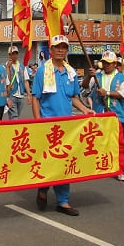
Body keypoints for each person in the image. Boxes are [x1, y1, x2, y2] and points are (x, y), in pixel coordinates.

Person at [31, 35, 94, 216]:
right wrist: (38, 122)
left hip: (67, 127)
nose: (60, 50)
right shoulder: (43, 71)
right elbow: (36, 97)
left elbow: (73, 96)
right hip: (48, 125)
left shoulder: (71, 72)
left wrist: (84, 110)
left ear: (67, 50)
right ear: (51, 50)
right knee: (49, 161)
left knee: (65, 162)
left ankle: (63, 201)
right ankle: (43, 189)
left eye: (64, 47)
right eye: (57, 47)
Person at [82, 51, 124, 181]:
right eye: (104, 63)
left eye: (109, 63)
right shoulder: (96, 76)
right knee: (97, 142)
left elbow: (123, 94)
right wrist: (88, 75)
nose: (106, 65)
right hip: (99, 114)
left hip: (116, 115)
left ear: (115, 64)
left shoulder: (121, 78)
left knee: (118, 144)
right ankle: (98, 167)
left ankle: (120, 170)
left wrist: (107, 93)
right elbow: (85, 86)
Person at [5, 46, 31, 120]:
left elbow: (26, 80)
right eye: (12, 54)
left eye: (15, 54)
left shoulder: (22, 66)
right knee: (14, 117)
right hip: (11, 94)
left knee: (17, 116)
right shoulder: (6, 66)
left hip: (21, 94)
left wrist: (29, 94)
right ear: (9, 55)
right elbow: (7, 80)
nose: (14, 56)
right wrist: (7, 68)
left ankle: (12, 129)